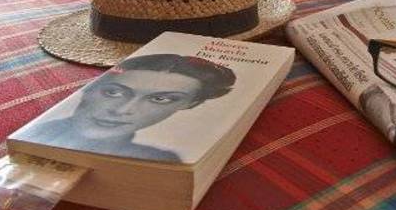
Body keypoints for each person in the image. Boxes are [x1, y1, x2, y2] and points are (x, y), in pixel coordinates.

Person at [18, 54, 236, 161]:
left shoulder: (162, 161)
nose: (122, 110)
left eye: (160, 99)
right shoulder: (32, 138)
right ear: (90, 88)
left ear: (190, 104)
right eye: (113, 92)